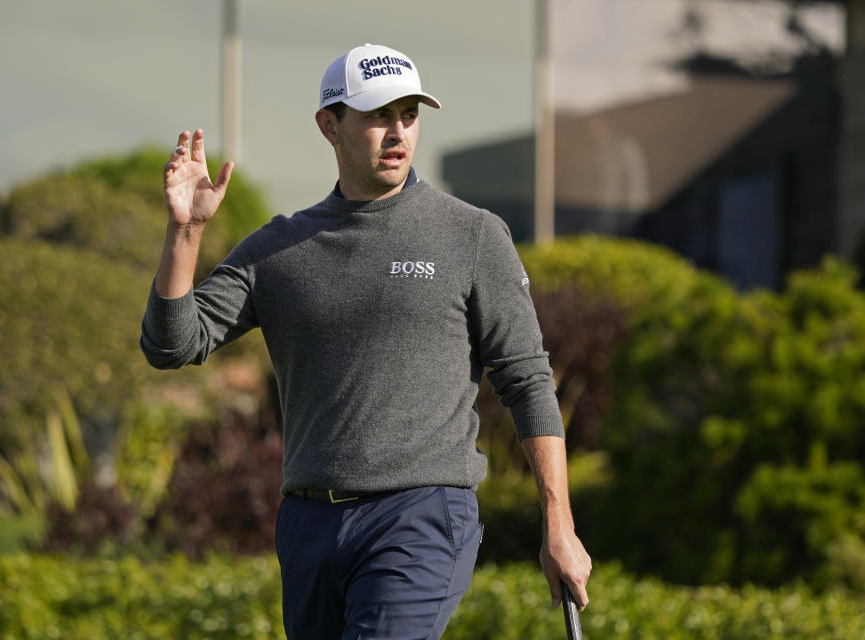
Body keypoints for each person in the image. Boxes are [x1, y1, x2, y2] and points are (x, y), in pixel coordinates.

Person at [141, 42, 590, 639]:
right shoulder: (279, 250)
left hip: (420, 515)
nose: (397, 131)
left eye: (409, 114)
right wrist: (186, 232)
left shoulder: (472, 235)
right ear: (330, 125)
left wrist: (558, 522)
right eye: (378, 115)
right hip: (307, 522)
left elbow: (528, 382)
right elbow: (172, 345)